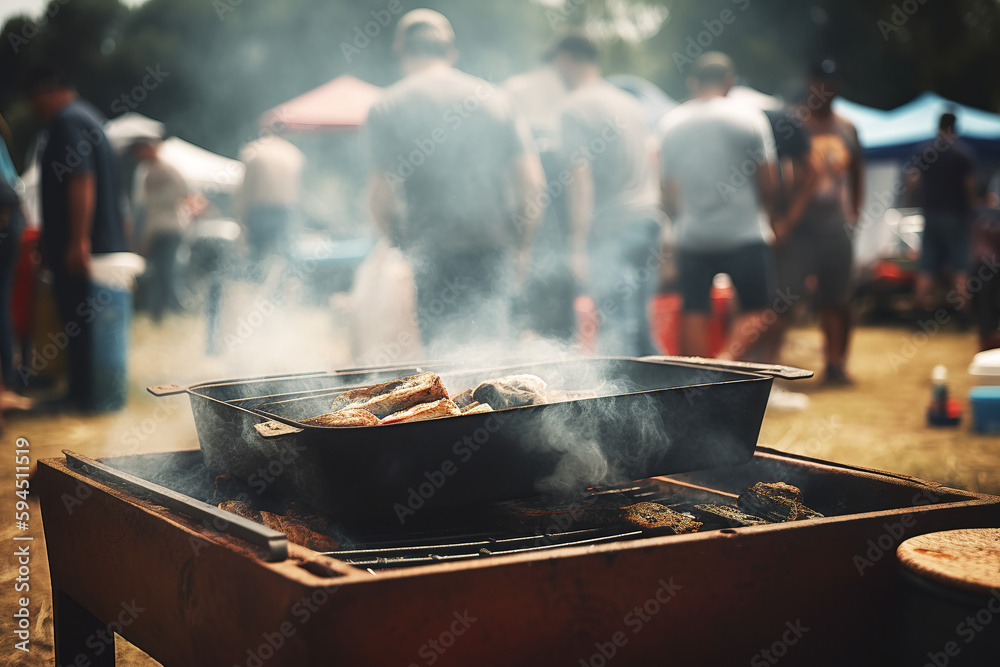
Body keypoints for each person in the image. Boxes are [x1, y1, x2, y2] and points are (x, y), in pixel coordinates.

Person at [363, 9, 544, 354]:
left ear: (401, 51)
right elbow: (532, 184)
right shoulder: (496, 100)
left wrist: (398, 243)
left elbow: (380, 197)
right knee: (498, 364)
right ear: (451, 51)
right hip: (493, 248)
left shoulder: (386, 106)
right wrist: (522, 248)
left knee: (446, 362)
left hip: (431, 254)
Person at [657, 52, 778, 360]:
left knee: (695, 309)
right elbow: (768, 181)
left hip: (693, 235)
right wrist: (768, 217)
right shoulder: (749, 117)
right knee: (758, 310)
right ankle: (723, 363)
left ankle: (699, 378)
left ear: (693, 82)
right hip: (745, 233)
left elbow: (669, 192)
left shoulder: (672, 122)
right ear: (730, 82)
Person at [550, 33, 662, 357]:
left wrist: (577, 244)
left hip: (613, 226)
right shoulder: (628, 102)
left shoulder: (573, 109)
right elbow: (652, 160)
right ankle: (666, 399)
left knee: (617, 327)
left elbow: (579, 179)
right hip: (647, 218)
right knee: (639, 324)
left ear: (566, 58)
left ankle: (630, 405)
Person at [26, 66, 127, 411]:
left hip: (82, 247)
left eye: (34, 98)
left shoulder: (67, 120)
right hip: (100, 242)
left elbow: (81, 178)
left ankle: (83, 396)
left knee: (79, 319)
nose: (32, 107)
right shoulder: (91, 117)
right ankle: (90, 393)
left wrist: (77, 240)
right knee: (92, 322)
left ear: (50, 90)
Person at [775, 60, 863, 385]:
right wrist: (781, 217)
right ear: (810, 84)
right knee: (784, 298)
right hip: (799, 227)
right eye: (818, 83)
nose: (824, 90)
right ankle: (773, 366)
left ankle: (836, 364)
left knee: (837, 300)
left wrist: (854, 213)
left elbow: (857, 172)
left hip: (835, 226)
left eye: (830, 84)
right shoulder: (795, 124)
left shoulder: (848, 128)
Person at [911, 112, 977, 318]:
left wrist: (916, 202)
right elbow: (969, 187)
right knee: (960, 267)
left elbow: (912, 181)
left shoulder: (925, 150)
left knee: (927, 267)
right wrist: (973, 211)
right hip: (956, 216)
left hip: (931, 214)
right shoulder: (962, 154)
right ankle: (963, 314)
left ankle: (918, 312)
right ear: (955, 128)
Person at [131, 139, 189, 321]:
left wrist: (144, 240)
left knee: (164, 272)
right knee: (162, 272)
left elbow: (153, 210)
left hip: (165, 229)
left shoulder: (159, 171)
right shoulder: (153, 171)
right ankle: (161, 311)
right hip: (167, 228)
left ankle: (171, 310)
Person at [238, 133, 304, 266]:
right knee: (283, 254)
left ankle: (257, 282)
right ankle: (284, 282)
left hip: (259, 211)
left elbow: (246, 187)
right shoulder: (293, 154)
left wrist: (240, 215)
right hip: (285, 211)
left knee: (258, 255)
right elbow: (299, 190)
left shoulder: (254, 152)